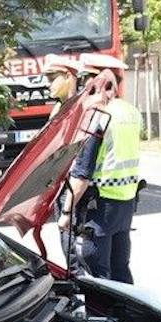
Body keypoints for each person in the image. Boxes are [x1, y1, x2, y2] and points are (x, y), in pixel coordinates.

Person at [61, 67, 143, 283]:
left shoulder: (98, 115)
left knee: (98, 275)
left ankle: (106, 316)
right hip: (125, 203)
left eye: (88, 85)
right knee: (121, 271)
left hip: (99, 207)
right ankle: (130, 315)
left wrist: (66, 212)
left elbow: (83, 173)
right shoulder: (130, 111)